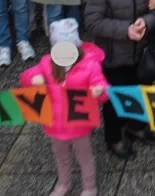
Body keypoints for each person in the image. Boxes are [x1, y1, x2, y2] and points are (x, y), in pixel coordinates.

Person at [84, 0, 155, 158]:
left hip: (140, 51)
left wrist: (146, 22)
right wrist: (125, 30)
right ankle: (114, 138)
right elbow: (91, 21)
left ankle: (136, 127)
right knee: (114, 97)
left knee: (138, 90)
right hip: (113, 54)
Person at [21, 18, 108, 196]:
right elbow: (27, 75)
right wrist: (33, 78)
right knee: (61, 157)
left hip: (79, 123)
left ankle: (89, 187)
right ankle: (63, 184)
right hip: (55, 122)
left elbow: (103, 87)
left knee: (84, 158)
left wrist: (100, 91)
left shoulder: (90, 64)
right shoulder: (47, 63)